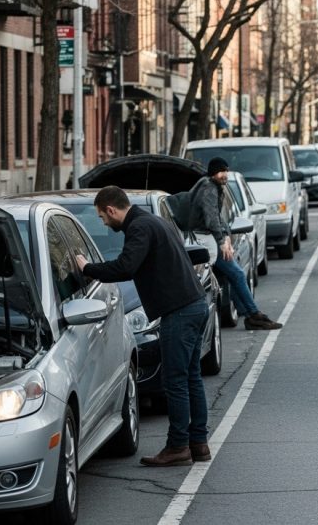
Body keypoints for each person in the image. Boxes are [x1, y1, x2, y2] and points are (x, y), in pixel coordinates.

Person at [76, 186, 211, 467]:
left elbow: (126, 267)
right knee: (190, 377)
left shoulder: (139, 227)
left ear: (112, 210)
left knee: (174, 381)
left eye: (102, 217)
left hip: (180, 311)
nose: (103, 223)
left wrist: (87, 268)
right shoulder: (153, 221)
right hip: (194, 305)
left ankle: (178, 446)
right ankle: (198, 443)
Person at [190, 157, 282, 331]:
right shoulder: (209, 188)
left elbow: (220, 218)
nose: (224, 174)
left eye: (226, 171)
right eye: (220, 171)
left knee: (234, 276)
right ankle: (253, 315)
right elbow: (211, 219)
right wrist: (221, 240)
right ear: (213, 173)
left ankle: (249, 315)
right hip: (206, 240)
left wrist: (226, 238)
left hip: (210, 239)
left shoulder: (215, 187)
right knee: (238, 274)